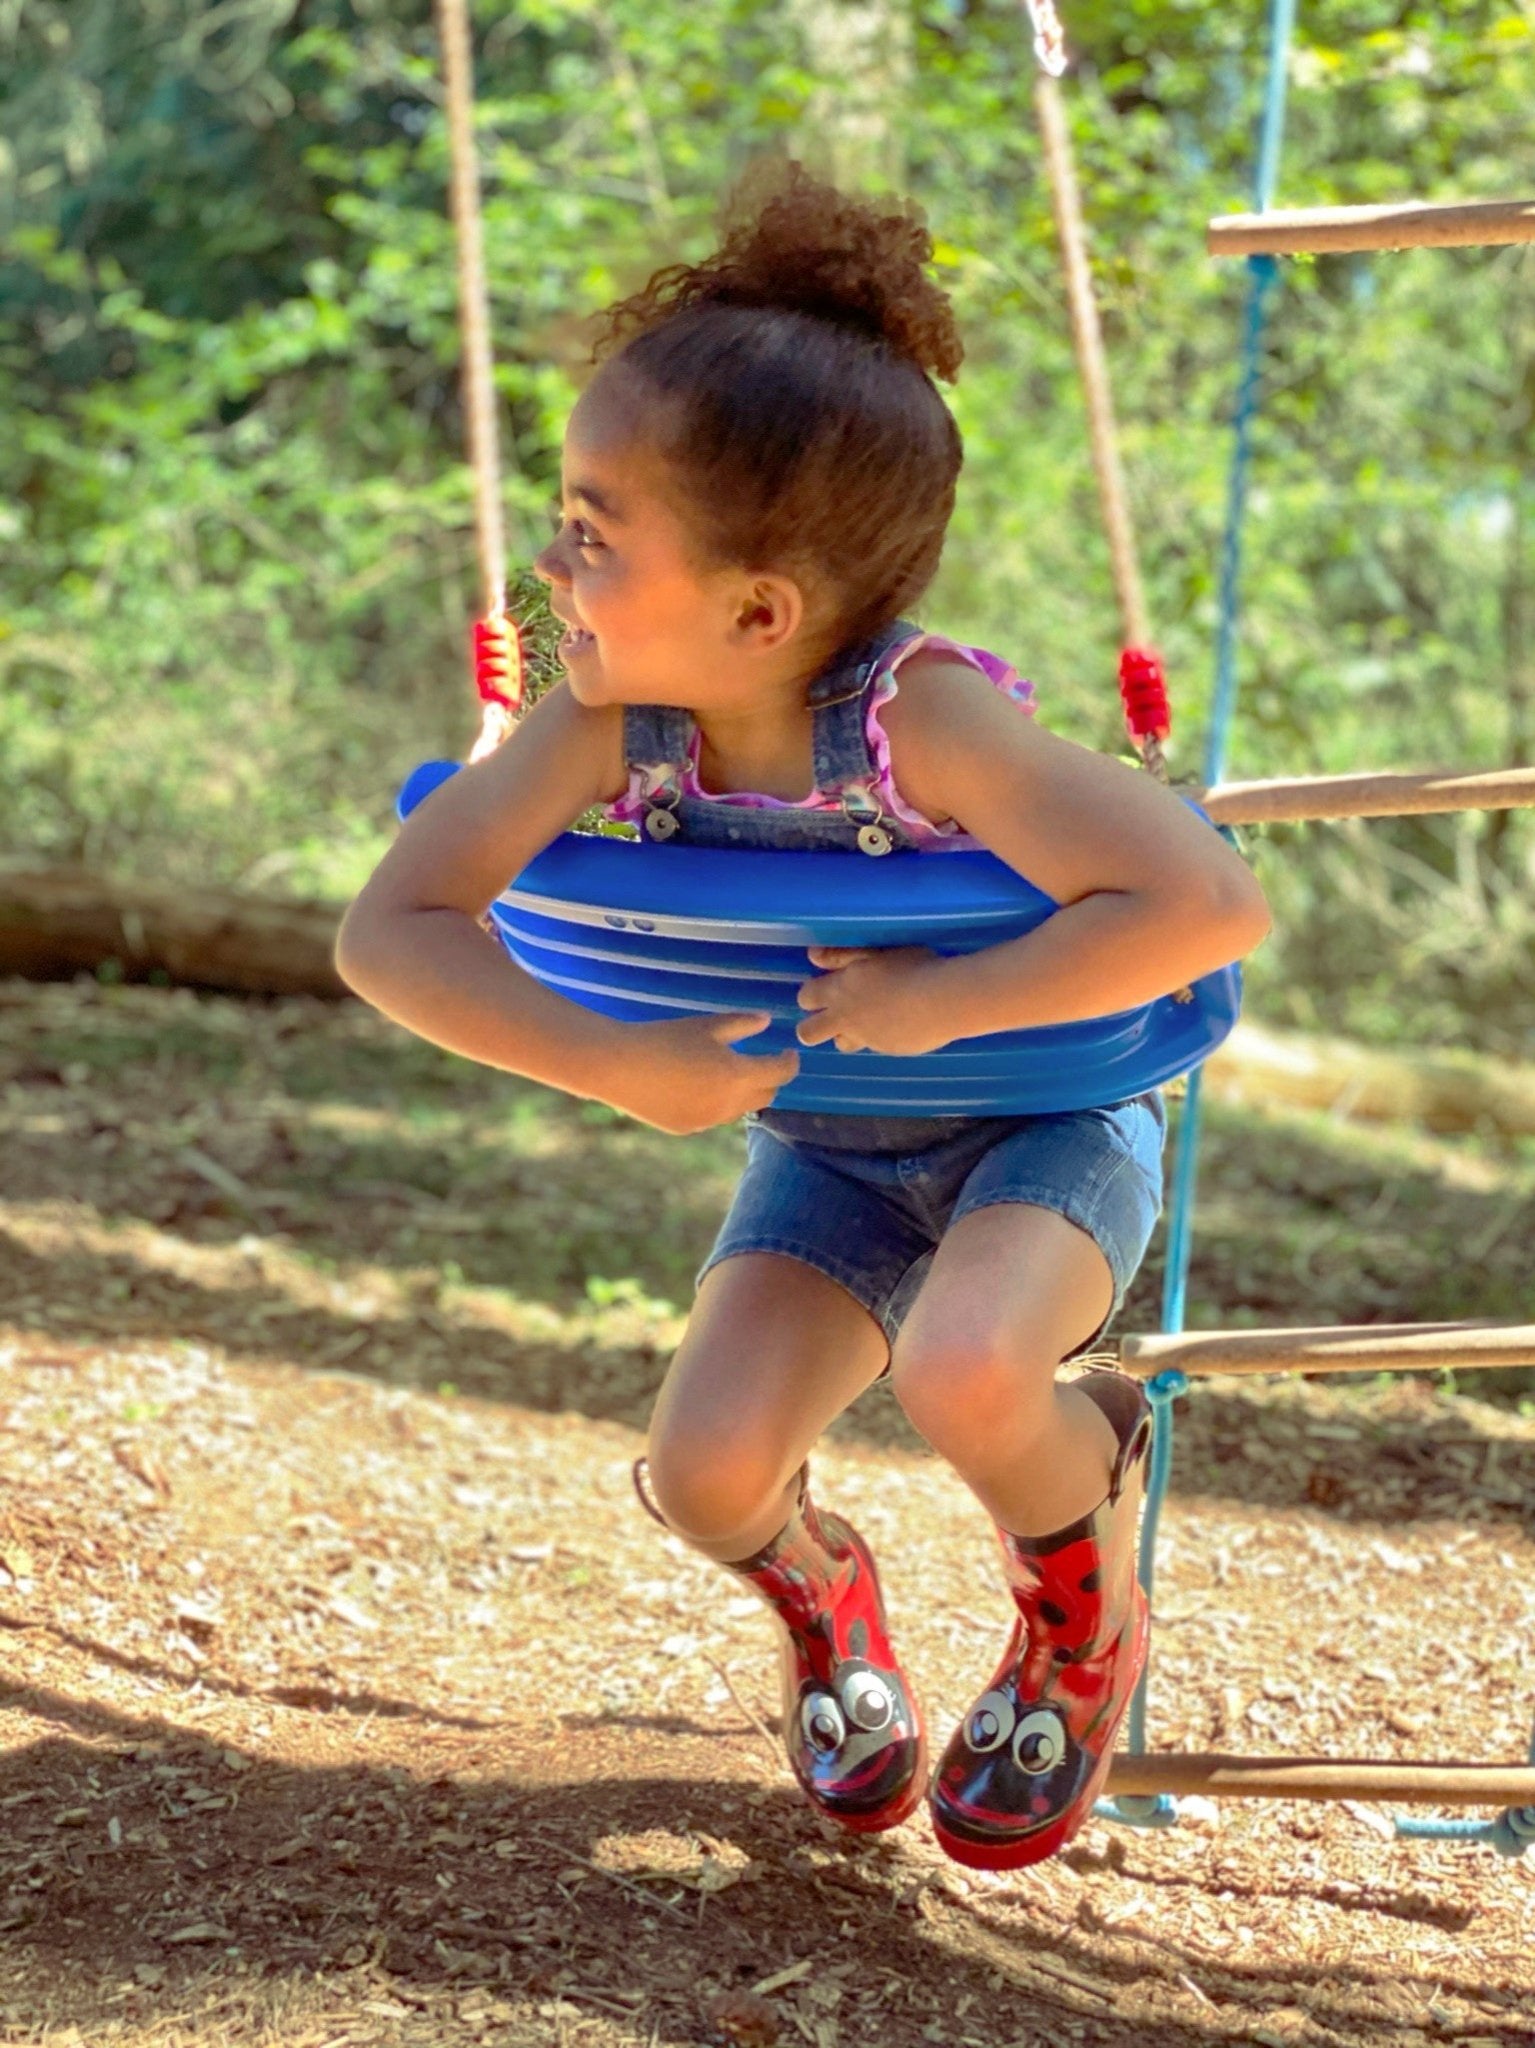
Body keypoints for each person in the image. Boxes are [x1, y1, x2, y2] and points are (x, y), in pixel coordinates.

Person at [336, 163, 1270, 1868]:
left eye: (598, 535)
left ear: (760, 612)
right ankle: (830, 1605)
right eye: (565, 515)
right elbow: (391, 924)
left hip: (1045, 1118)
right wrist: (612, 1060)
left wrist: (951, 1000)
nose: (558, 563)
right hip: (830, 1150)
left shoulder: (926, 727)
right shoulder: (610, 717)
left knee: (968, 1366)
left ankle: (1081, 1611)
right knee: (706, 1475)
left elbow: (1209, 902)